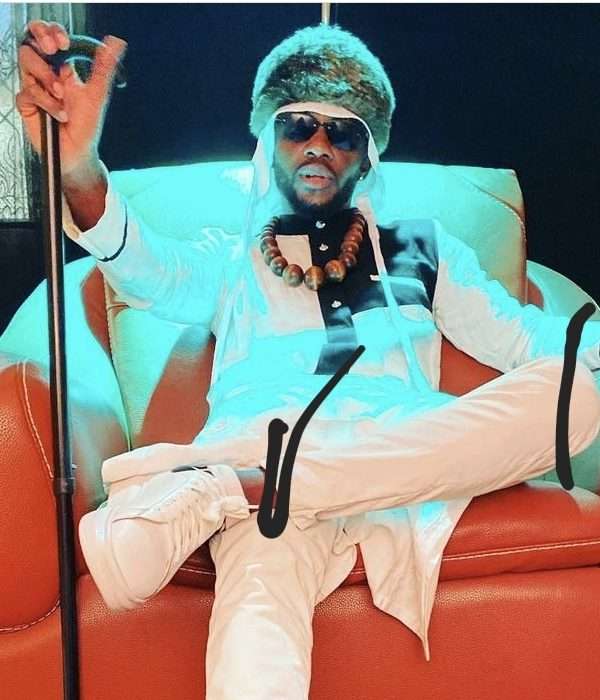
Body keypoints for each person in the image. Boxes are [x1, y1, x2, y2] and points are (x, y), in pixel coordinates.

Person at [17, 19, 600, 697]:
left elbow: (527, 339)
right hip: (265, 453)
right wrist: (80, 168)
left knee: (576, 395)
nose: (319, 145)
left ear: (368, 156)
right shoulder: (234, 258)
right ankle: (262, 488)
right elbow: (145, 268)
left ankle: (238, 490)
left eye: (343, 132)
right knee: (262, 575)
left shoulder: (424, 249)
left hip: (398, 467)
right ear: (269, 141)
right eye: (298, 126)